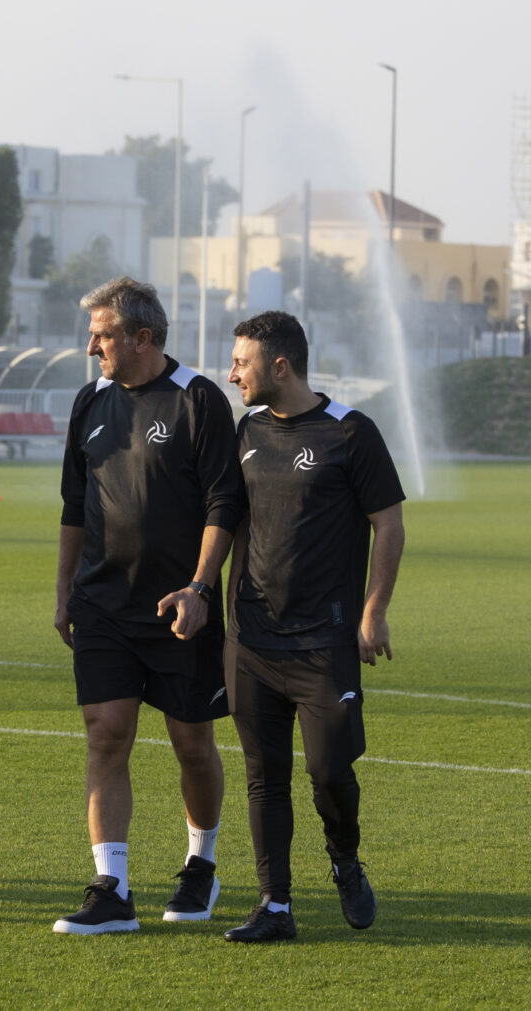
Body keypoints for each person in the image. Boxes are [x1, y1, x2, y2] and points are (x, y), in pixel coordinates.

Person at [52, 276, 242, 934]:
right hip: (103, 604)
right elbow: (74, 507)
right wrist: (64, 590)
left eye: (102, 335)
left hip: (178, 608)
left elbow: (225, 504)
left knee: (192, 742)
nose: (90, 347)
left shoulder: (198, 400)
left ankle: (201, 863)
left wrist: (199, 587)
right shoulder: (89, 401)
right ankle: (112, 887)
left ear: (142, 337)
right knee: (105, 733)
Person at [220, 311, 405, 943]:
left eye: (241, 362)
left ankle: (346, 862)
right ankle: (274, 905)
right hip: (250, 636)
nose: (232, 372)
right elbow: (229, 517)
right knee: (263, 774)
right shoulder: (245, 431)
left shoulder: (350, 432)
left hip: (323, 641)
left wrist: (372, 611)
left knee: (329, 772)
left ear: (281, 365)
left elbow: (390, 522)